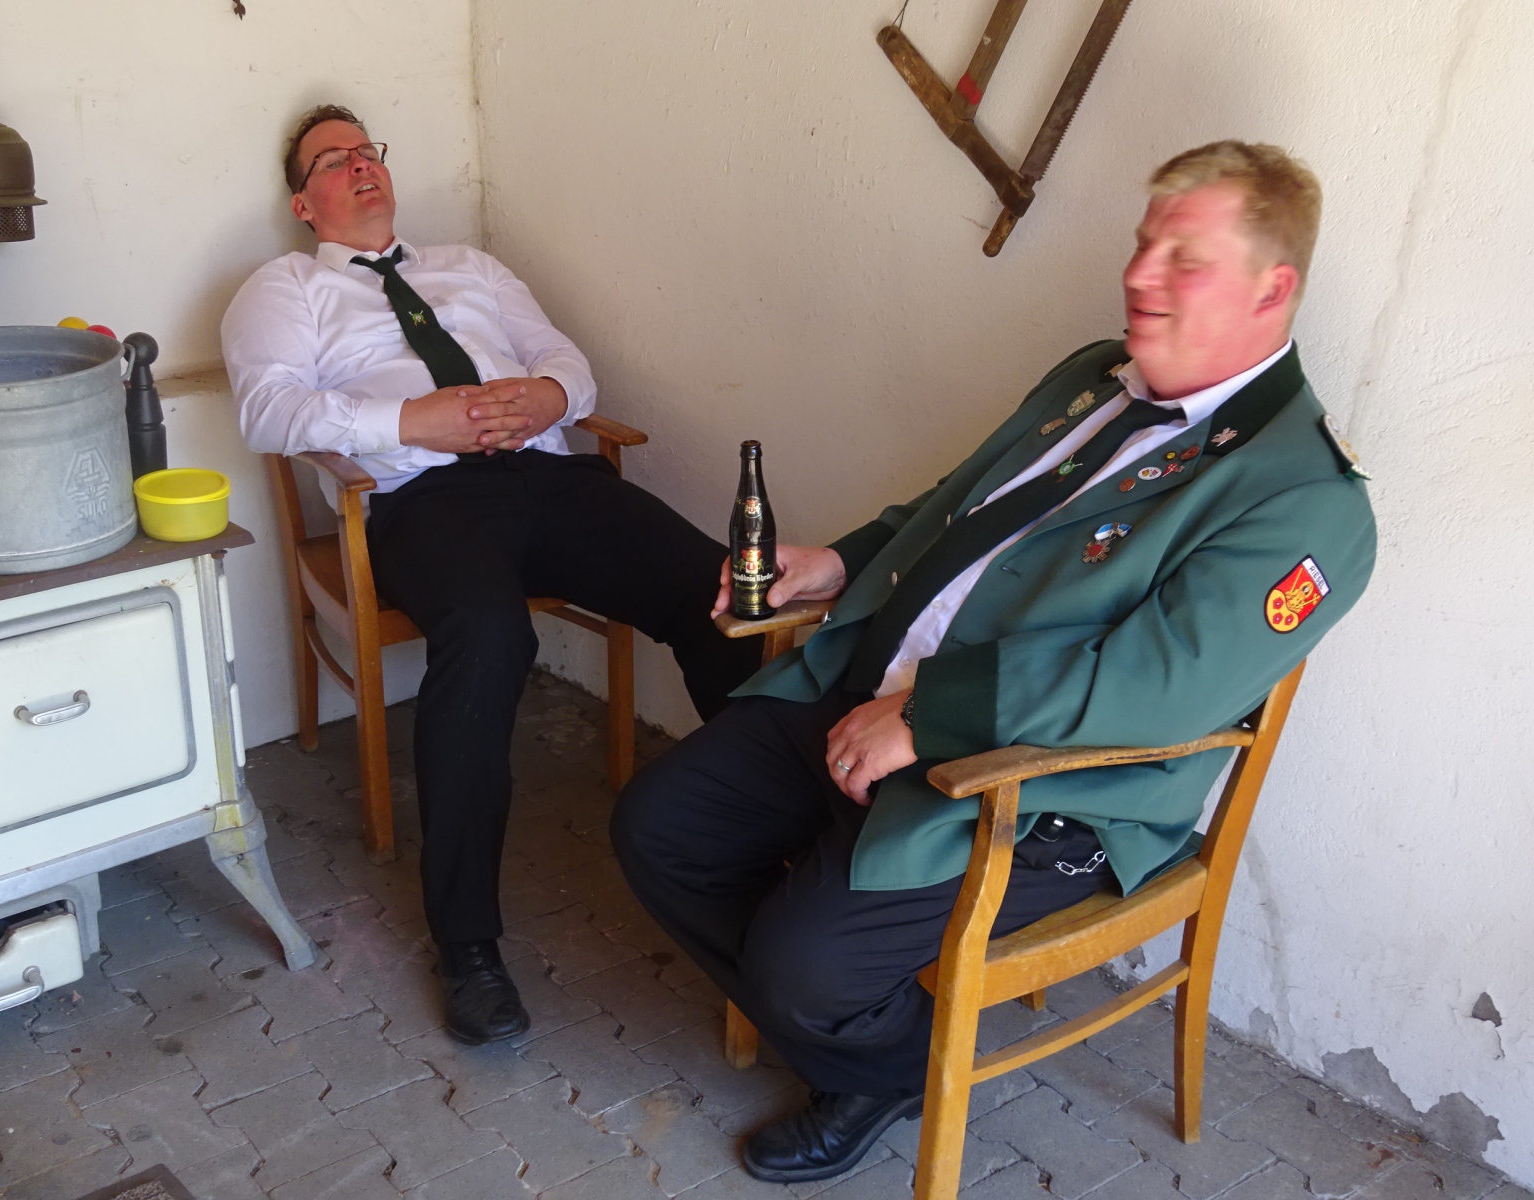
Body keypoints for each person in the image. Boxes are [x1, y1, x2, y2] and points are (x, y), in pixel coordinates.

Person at [611, 141, 1377, 1184]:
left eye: (1183, 260)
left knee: (801, 968)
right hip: (865, 694)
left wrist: (927, 718)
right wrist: (840, 563)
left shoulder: (1306, 499)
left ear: (1271, 289)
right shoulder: (1092, 375)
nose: (1139, 275)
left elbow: (1158, 690)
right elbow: (953, 512)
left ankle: (881, 1065)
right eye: (1143, 244)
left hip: (1032, 789)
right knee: (658, 827)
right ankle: (855, 1022)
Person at [222, 104, 761, 1047]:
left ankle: (770, 833)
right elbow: (269, 410)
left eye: (367, 150)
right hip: (422, 501)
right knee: (488, 637)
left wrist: (548, 396)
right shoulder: (284, 288)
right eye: (332, 161)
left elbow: (568, 362)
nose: (360, 165)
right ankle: (467, 942)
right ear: (303, 204)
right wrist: (409, 423)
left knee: (718, 589)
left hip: (550, 477)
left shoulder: (469, 266)